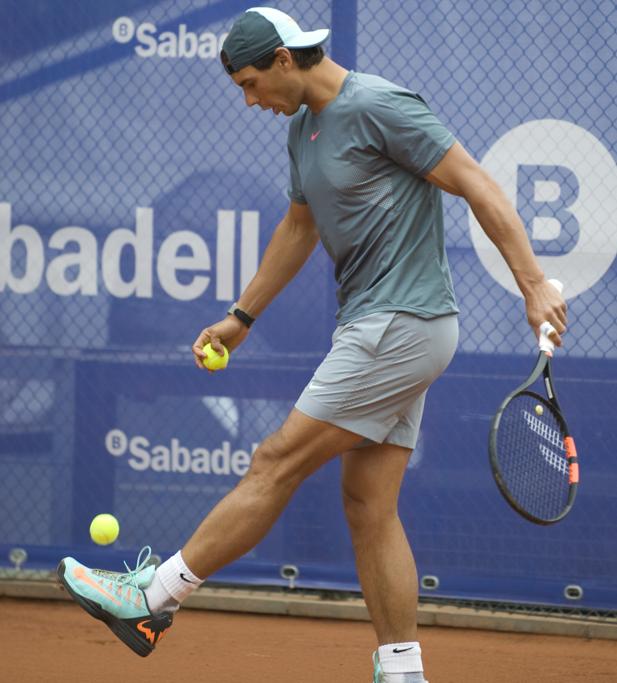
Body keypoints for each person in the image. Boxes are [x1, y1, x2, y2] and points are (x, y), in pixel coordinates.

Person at [57, 6, 567, 682]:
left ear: (284, 60)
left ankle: (152, 598)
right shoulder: (303, 128)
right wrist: (242, 316)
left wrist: (531, 283)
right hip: (382, 325)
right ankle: (401, 667)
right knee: (366, 501)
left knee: (275, 459)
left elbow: (475, 183)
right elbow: (297, 228)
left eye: (249, 83)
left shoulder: (382, 106)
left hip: (400, 320)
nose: (248, 101)